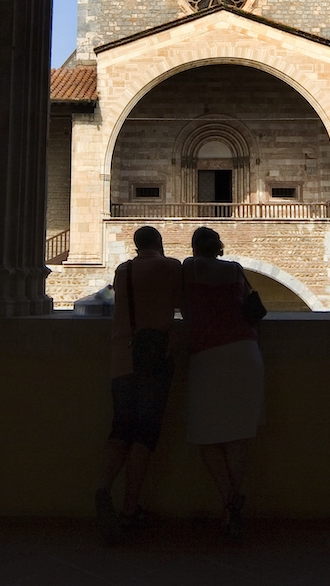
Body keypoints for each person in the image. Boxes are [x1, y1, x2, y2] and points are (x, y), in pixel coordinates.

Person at [96, 225, 182, 545]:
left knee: (120, 429)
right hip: (154, 361)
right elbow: (181, 304)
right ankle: (130, 506)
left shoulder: (123, 271)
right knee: (145, 434)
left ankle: (103, 488)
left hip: (122, 358)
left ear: (135, 246)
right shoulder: (171, 267)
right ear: (159, 243)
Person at [181, 226, 264, 542]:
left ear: (195, 247)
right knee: (238, 435)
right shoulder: (235, 270)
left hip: (209, 354)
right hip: (245, 352)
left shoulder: (191, 267)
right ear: (219, 246)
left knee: (206, 435)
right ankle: (232, 505)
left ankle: (229, 499)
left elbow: (186, 310)